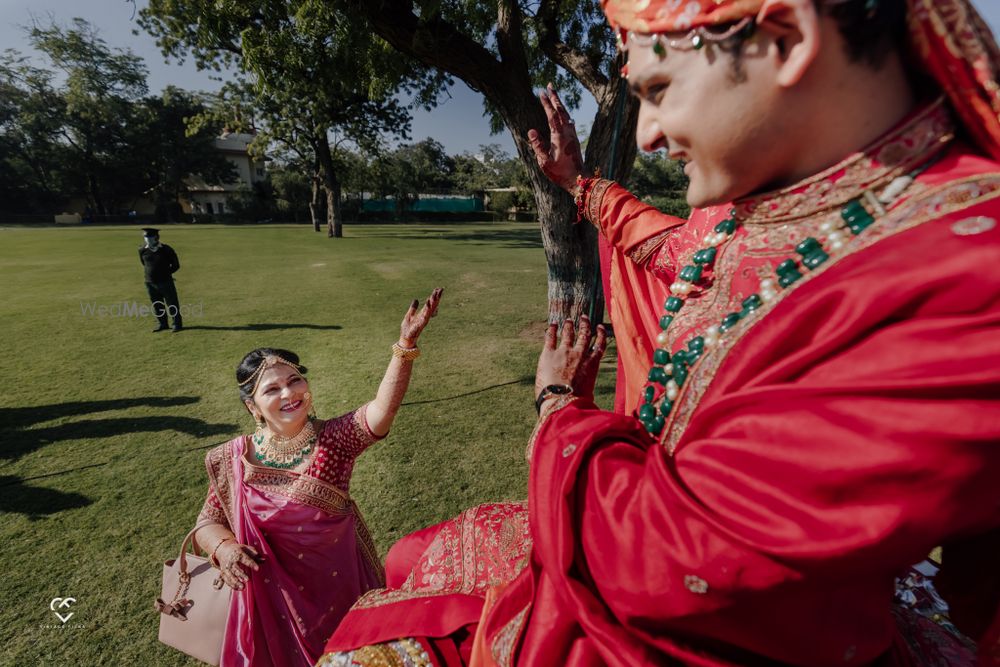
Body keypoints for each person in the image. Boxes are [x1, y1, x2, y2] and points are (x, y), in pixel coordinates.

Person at [320, 0, 1000, 665]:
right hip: (656, 563)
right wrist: (580, 186)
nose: (645, 132)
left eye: (660, 88)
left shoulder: (963, 278)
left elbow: (677, 561)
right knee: (413, 557)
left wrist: (558, 408)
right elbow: (673, 249)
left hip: (682, 612)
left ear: (787, 37)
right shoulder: (771, 212)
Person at [191, 288, 443, 667]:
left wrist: (404, 346)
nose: (289, 393)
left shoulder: (333, 440)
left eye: (295, 380)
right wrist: (224, 549)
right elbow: (207, 522)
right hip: (270, 607)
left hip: (339, 594)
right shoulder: (235, 459)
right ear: (252, 406)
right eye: (272, 389)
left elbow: (381, 411)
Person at [139, 228, 183, 332]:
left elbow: (176, 265)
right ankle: (162, 324)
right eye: (145, 237)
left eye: (149, 237)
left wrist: (166, 274)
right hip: (149, 283)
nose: (147, 239)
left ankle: (177, 324)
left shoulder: (166, 249)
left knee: (172, 303)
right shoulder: (142, 250)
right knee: (157, 304)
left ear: (156, 237)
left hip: (165, 281)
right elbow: (144, 263)